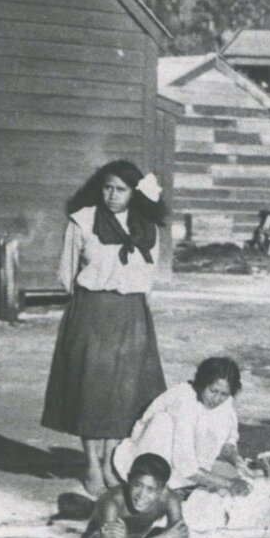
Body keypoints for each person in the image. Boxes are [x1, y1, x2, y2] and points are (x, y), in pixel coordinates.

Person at [43, 160, 169, 495]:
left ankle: (113, 464)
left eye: (121, 189)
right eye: (107, 187)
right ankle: (92, 467)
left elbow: (149, 276)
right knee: (93, 390)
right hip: (93, 312)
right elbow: (66, 273)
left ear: (134, 193)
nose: (112, 195)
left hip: (132, 313)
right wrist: (91, 301)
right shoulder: (83, 221)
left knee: (124, 393)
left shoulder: (147, 227)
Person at [112, 356, 250, 494]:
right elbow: (186, 464)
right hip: (149, 456)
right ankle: (162, 484)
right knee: (163, 420)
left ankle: (182, 484)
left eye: (223, 394)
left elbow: (227, 440)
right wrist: (228, 484)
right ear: (202, 384)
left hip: (187, 462)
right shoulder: (184, 399)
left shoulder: (225, 403)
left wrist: (236, 460)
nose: (217, 399)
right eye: (213, 391)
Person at [80, 453, 192, 538]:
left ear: (162, 489)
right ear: (128, 479)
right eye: (137, 485)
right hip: (100, 537)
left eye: (150, 489)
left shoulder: (170, 499)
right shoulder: (112, 500)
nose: (141, 495)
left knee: (167, 537)